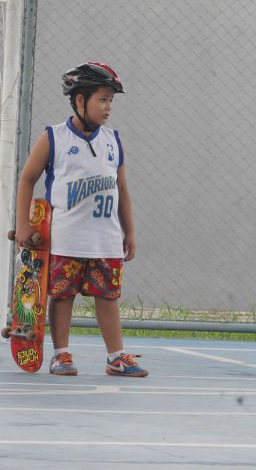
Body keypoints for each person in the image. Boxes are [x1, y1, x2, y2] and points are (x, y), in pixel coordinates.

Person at [15, 62, 148, 377]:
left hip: (105, 239)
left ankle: (116, 356)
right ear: (79, 101)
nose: (108, 107)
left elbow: (122, 189)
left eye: (111, 101)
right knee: (62, 296)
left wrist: (129, 231)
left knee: (108, 297)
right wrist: (23, 223)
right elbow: (27, 178)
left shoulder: (113, 141)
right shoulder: (54, 137)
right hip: (66, 238)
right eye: (102, 99)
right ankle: (61, 354)